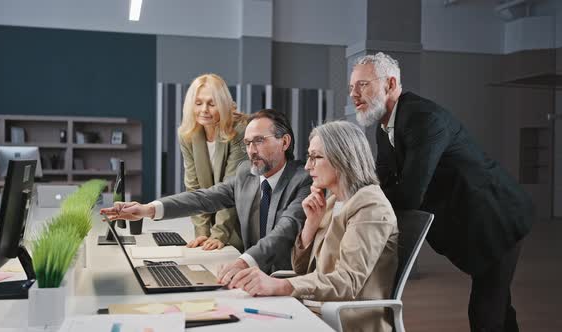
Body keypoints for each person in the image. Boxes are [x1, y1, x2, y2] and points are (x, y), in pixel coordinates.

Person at [349, 52, 534, 332]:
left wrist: (358, 200)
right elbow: (381, 184)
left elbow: (410, 195)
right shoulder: (384, 127)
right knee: (499, 306)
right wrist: (359, 196)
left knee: (485, 313)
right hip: (471, 222)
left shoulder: (424, 118)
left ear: (390, 83)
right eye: (352, 87)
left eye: (362, 84)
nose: (354, 94)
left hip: (498, 217)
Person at [101, 109, 311, 280]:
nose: (251, 150)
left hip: (285, 282)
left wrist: (242, 262)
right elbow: (204, 198)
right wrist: (147, 209)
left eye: (259, 141)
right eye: (247, 143)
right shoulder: (246, 174)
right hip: (250, 279)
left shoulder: (303, 180)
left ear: (284, 142)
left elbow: (284, 231)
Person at [229, 121, 398, 332]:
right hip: (316, 309)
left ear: (342, 158)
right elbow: (302, 270)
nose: (308, 166)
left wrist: (283, 286)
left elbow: (347, 282)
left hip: (346, 320)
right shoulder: (332, 201)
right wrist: (310, 227)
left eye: (315, 157)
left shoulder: (370, 206)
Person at [178, 73, 247, 252]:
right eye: (198, 103)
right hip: (214, 218)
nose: (204, 110)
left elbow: (232, 188)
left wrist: (219, 234)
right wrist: (202, 232)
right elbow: (194, 187)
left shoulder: (239, 131)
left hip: (239, 221)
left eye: (211, 103)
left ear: (223, 104)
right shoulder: (187, 135)